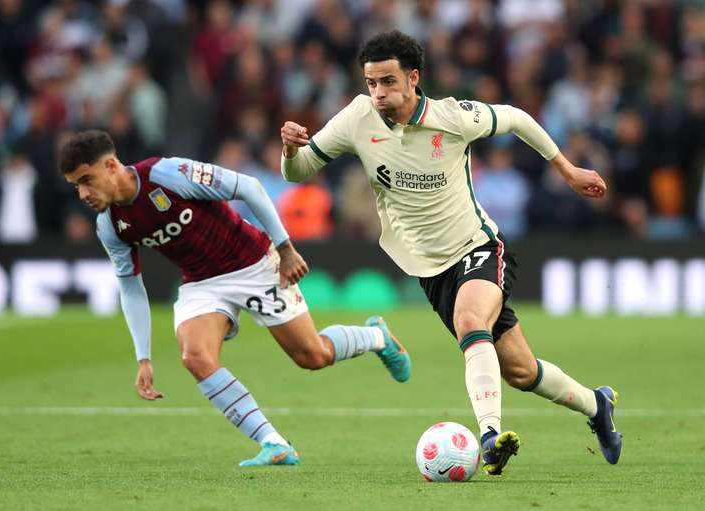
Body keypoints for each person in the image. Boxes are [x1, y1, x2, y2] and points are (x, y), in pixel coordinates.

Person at [280, 30, 622, 476]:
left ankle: (489, 436)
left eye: (387, 81)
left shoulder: (453, 117)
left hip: (478, 246)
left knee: (468, 321)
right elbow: (298, 171)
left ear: (413, 77)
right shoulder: (356, 118)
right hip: (430, 269)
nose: (378, 93)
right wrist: (290, 149)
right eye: (371, 83)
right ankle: (597, 406)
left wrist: (568, 170)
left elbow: (516, 118)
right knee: (519, 372)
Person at [57, 129, 411, 467]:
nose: (83, 194)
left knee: (312, 355)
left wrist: (285, 249)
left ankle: (378, 336)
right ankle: (274, 444)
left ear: (111, 166)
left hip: (253, 263)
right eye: (75, 186)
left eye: (86, 181)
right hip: (202, 283)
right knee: (195, 357)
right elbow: (131, 287)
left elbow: (250, 187)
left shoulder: (166, 174)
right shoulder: (109, 225)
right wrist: (143, 358)